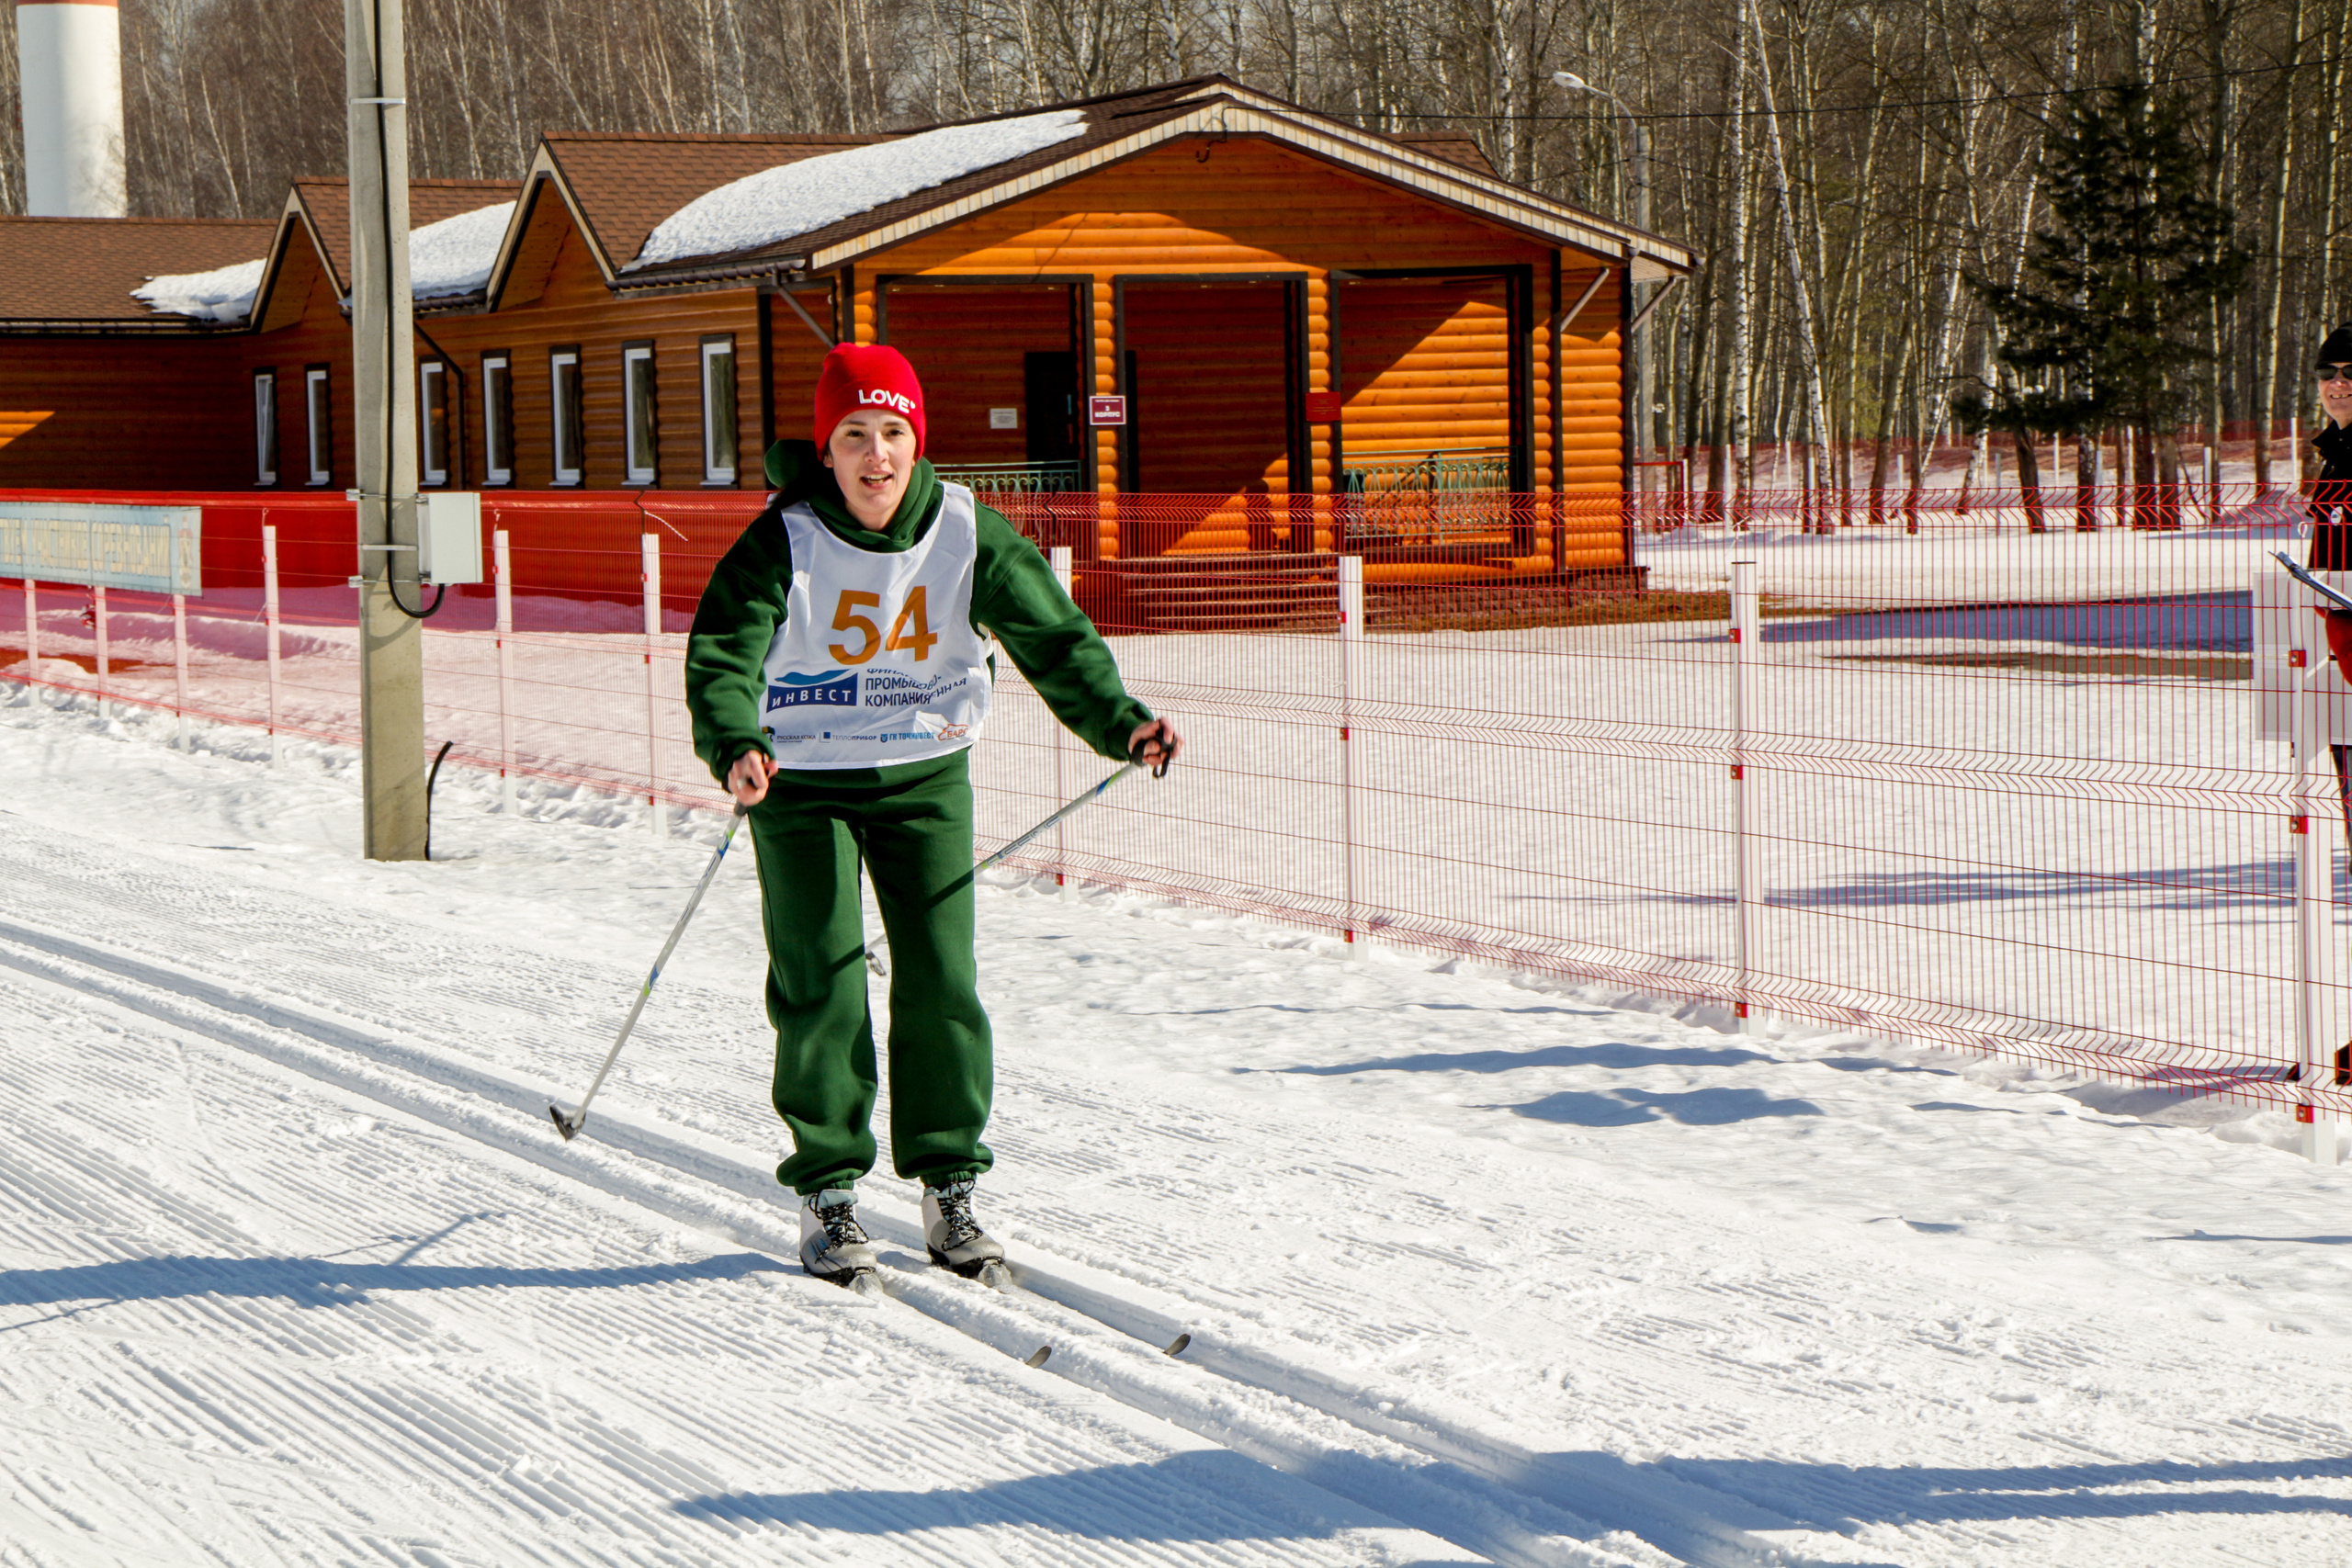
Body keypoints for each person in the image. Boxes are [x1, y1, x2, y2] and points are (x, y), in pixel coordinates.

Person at [684, 343, 1181, 1287]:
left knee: (941, 979)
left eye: (893, 434)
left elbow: (1053, 636)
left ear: (918, 442)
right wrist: (733, 739)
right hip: (802, 782)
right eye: (855, 436)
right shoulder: (783, 538)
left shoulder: (964, 531)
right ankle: (830, 1193)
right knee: (822, 978)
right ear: (824, 449)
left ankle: (948, 1184)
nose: (877, 457)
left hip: (923, 776)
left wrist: (1120, 723)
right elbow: (723, 653)